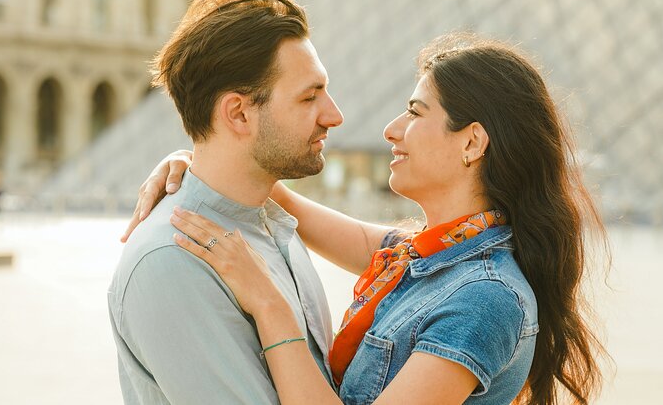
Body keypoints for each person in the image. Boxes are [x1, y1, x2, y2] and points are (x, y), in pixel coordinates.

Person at [128, 33, 609, 404]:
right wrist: (202, 161)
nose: (391, 129)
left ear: (471, 143)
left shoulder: (484, 300)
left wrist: (266, 302)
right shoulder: (425, 258)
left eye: (415, 113)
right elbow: (310, 212)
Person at [108, 0, 347, 404]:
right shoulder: (174, 260)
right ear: (238, 114)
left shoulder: (274, 226)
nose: (334, 115)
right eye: (309, 97)